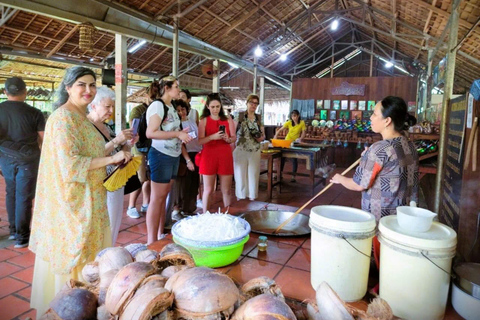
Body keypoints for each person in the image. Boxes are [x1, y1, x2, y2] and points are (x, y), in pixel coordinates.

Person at [29, 66, 132, 316]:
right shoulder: (63, 118)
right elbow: (70, 163)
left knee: (93, 260)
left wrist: (114, 153)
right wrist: (111, 159)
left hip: (92, 198)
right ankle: (69, 307)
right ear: (67, 88)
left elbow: (91, 153)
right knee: (77, 260)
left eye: (92, 85)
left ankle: (85, 305)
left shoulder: (81, 116)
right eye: (81, 85)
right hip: (73, 205)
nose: (88, 90)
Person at [330, 96, 419, 221]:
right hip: (403, 217)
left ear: (387, 121)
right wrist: (368, 158)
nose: (370, 117)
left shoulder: (379, 149)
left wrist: (340, 178)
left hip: (381, 219)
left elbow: (359, 184)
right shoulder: (410, 146)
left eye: (374, 114)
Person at [145, 76, 192, 245]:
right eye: (176, 87)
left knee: (163, 196)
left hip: (173, 154)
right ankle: (151, 240)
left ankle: (159, 234)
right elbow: (151, 133)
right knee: (156, 198)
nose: (178, 90)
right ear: (166, 88)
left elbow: (170, 130)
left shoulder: (171, 107)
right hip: (160, 154)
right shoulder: (158, 106)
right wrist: (177, 134)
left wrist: (182, 133)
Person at [0, 77, 45, 249]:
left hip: (5, 157)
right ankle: (22, 236)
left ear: (5, 92)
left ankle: (13, 231)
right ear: (25, 92)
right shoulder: (35, 112)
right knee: (24, 196)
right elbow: (44, 139)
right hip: (29, 159)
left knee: (10, 192)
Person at [87, 86, 134, 244]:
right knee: (104, 225)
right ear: (93, 105)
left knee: (113, 222)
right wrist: (116, 141)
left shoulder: (106, 126)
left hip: (115, 179)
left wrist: (127, 144)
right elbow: (91, 156)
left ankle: (108, 251)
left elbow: (118, 149)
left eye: (112, 106)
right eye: (107, 106)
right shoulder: (87, 127)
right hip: (100, 182)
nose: (111, 110)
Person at [198, 93, 235, 213]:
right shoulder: (203, 120)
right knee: (208, 189)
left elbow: (234, 137)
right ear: (208, 107)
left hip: (224, 154)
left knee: (227, 190)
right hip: (209, 155)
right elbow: (200, 140)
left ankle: (228, 215)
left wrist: (228, 139)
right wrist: (212, 137)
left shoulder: (228, 119)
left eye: (217, 106)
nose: (215, 109)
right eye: (213, 107)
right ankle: (205, 214)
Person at [166, 99, 200, 220]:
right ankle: (176, 210)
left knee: (193, 184)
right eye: (178, 110)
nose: (181, 112)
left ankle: (189, 209)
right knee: (180, 184)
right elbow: (181, 144)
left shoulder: (192, 121)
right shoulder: (176, 125)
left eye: (183, 109)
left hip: (195, 154)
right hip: (183, 156)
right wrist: (187, 160)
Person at [233, 94, 265, 201]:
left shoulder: (259, 118)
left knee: (253, 174)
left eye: (256, 103)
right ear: (247, 103)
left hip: (255, 149)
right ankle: (241, 196)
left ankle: (252, 196)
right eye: (251, 102)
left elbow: (263, 134)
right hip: (241, 148)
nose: (253, 105)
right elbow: (233, 132)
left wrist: (260, 137)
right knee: (240, 174)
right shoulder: (240, 116)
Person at [126, 95, 152, 219]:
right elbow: (133, 129)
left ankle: (146, 203)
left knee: (149, 177)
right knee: (140, 178)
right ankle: (131, 206)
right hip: (139, 148)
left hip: (152, 147)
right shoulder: (138, 110)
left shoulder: (158, 109)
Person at [274, 109, 306, 182]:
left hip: (294, 143)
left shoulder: (302, 123)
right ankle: (279, 174)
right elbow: (280, 130)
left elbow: (304, 132)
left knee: (294, 159)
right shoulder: (289, 122)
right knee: (282, 158)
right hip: (287, 142)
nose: (293, 118)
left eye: (295, 116)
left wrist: (300, 138)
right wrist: (276, 135)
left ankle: (293, 176)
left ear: (298, 116)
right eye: (292, 116)